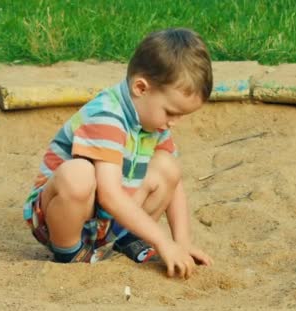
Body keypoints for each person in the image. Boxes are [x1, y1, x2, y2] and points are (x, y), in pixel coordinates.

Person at [23, 27, 214, 278]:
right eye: (170, 112)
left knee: (167, 166)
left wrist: (182, 242)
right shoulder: (106, 115)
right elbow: (110, 195)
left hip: (106, 223)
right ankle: (69, 252)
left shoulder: (151, 121)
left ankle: (128, 239)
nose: (173, 122)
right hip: (60, 218)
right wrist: (162, 240)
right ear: (141, 88)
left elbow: (174, 184)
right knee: (78, 174)